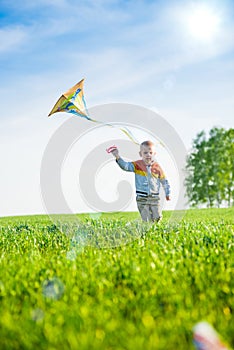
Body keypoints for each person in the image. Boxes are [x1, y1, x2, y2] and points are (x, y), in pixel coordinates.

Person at [107, 141, 170, 222]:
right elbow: (125, 166)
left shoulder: (157, 167)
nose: (148, 155)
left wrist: (167, 193)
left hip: (154, 198)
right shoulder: (137, 165)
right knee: (146, 219)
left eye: (151, 153)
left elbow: (164, 181)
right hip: (142, 198)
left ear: (154, 154)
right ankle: (148, 229)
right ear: (141, 154)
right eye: (145, 153)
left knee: (157, 217)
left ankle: (155, 225)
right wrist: (117, 156)